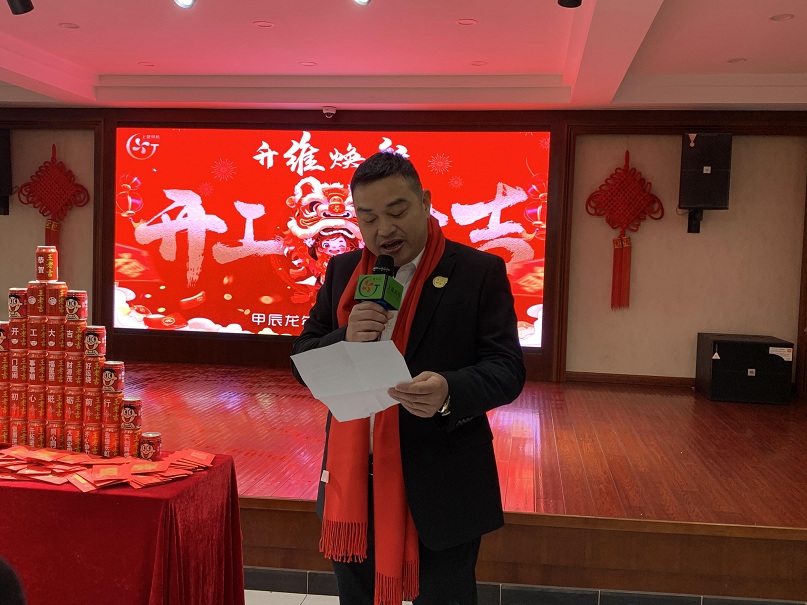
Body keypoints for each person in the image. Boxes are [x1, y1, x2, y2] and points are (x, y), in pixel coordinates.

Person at [291, 151, 525, 605]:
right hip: (354, 485)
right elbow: (302, 359)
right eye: (368, 218)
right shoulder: (343, 271)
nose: (383, 230)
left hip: (442, 484)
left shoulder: (477, 272)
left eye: (397, 212)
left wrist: (449, 391)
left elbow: (507, 368)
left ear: (425, 201)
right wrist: (344, 337)